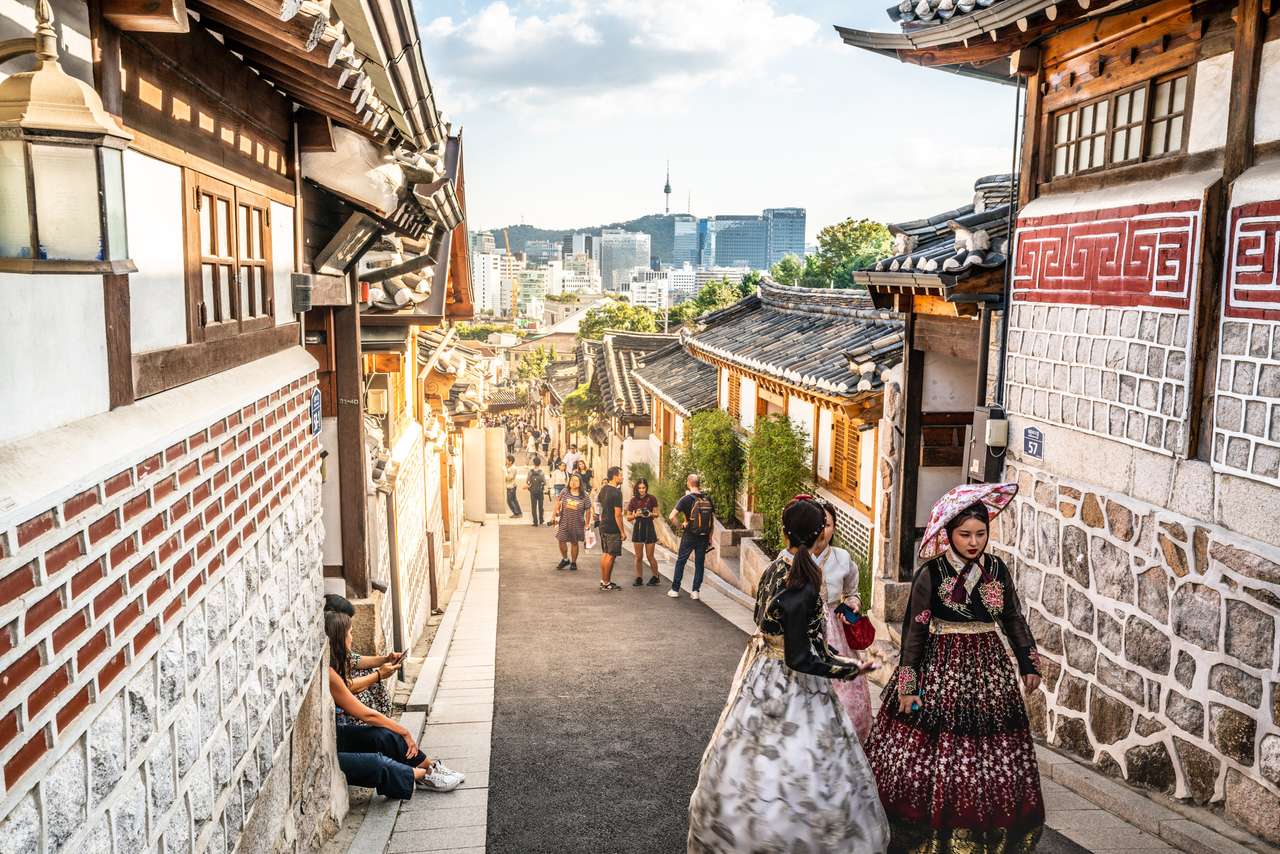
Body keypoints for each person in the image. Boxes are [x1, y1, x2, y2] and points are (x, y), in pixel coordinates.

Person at [687, 497, 887, 854]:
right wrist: (848, 667)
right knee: (807, 758)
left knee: (752, 750)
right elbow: (801, 657)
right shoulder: (804, 583)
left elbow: (761, 622)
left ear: (784, 533)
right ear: (816, 536)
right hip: (795, 683)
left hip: (762, 672)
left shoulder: (773, 571)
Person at [865, 482, 1044, 854]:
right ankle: (930, 830)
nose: (973, 541)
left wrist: (1028, 661)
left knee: (989, 749)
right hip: (939, 665)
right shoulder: (931, 574)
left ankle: (987, 828)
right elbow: (915, 631)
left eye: (981, 533)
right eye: (964, 534)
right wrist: (908, 686)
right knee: (937, 745)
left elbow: (1012, 617)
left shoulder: (997, 569)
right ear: (948, 535)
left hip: (988, 669)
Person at [326, 609, 464, 798]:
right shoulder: (329, 674)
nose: (352, 638)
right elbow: (367, 715)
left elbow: (357, 662)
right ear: (338, 639)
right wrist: (404, 731)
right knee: (377, 762)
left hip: (338, 734)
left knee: (383, 735)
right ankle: (424, 775)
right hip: (329, 745)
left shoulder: (337, 662)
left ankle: (430, 766)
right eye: (349, 633)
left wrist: (396, 731)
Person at [811, 499, 874, 742]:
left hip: (836, 629)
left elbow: (853, 592)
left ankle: (846, 743)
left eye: (826, 524)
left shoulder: (843, 558)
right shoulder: (793, 559)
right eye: (815, 524)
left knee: (847, 696)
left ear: (834, 527)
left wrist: (853, 603)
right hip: (807, 629)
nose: (821, 530)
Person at [667, 474, 713, 600]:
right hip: (703, 536)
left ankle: (675, 589)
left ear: (689, 483)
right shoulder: (707, 499)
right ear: (699, 484)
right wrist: (709, 537)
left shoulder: (686, 499)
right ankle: (695, 591)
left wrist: (681, 526)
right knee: (699, 564)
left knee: (681, 561)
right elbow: (711, 521)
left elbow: (672, 516)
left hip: (689, 535)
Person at [625, 478, 661, 587]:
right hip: (638, 528)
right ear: (636, 488)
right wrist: (636, 515)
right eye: (639, 488)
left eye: (643, 488)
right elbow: (628, 517)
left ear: (646, 488)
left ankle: (656, 577)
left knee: (650, 556)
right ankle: (639, 578)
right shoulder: (633, 500)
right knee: (638, 556)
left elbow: (657, 514)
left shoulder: (652, 498)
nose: (642, 490)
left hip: (649, 528)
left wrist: (650, 514)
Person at [552, 472, 591, 571]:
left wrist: (587, 523)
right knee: (561, 540)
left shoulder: (584, 495)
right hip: (564, 521)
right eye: (572, 480)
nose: (573, 482)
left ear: (580, 483)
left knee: (574, 542)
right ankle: (565, 559)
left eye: (576, 480)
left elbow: (588, 510)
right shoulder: (565, 491)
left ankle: (573, 562)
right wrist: (553, 516)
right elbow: (558, 503)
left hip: (577, 523)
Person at [596, 466, 625, 591]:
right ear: (615, 476)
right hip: (612, 527)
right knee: (611, 555)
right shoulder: (617, 492)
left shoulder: (603, 489)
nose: (622, 477)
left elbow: (600, 506)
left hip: (603, 525)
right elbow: (618, 514)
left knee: (606, 553)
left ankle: (604, 580)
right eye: (621, 475)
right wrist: (622, 532)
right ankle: (606, 583)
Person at [525, 455, 547, 527]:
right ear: (540, 463)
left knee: (533, 507)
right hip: (540, 491)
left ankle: (535, 522)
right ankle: (541, 519)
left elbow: (527, 481)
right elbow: (545, 482)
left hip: (533, 491)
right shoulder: (541, 472)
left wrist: (530, 485)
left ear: (533, 463)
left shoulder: (530, 472)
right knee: (541, 506)